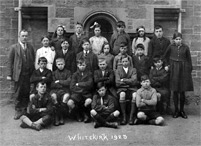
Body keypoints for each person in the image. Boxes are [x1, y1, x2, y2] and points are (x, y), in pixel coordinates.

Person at [163, 32, 193, 119]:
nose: (178, 41)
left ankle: (182, 110)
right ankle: (176, 110)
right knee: (175, 91)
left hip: (183, 70)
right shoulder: (171, 47)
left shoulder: (186, 47)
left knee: (182, 91)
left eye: (180, 39)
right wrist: (166, 65)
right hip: (174, 69)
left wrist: (188, 69)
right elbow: (165, 57)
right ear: (173, 40)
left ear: (182, 40)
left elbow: (189, 59)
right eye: (176, 39)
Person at [7, 29, 35, 120]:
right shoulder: (14, 47)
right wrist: (9, 74)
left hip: (28, 74)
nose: (24, 37)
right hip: (18, 74)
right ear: (19, 37)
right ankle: (18, 110)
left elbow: (33, 60)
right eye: (23, 36)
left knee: (26, 92)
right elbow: (10, 62)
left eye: (26, 36)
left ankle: (24, 110)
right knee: (18, 92)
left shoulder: (30, 47)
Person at [68, 59, 93, 123]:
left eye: (83, 65)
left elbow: (90, 84)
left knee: (88, 101)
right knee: (70, 103)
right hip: (77, 93)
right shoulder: (75, 74)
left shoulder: (89, 73)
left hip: (86, 93)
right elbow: (72, 87)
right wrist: (82, 88)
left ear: (86, 65)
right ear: (77, 65)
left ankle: (85, 114)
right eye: (80, 65)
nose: (82, 66)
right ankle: (78, 114)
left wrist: (79, 84)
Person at [115, 56, 138, 125]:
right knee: (122, 95)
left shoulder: (133, 69)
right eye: (123, 61)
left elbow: (134, 81)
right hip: (122, 88)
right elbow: (117, 82)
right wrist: (129, 81)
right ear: (121, 62)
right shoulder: (118, 70)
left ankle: (131, 117)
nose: (125, 63)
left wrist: (123, 80)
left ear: (129, 62)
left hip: (132, 88)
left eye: (126, 61)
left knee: (135, 95)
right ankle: (124, 117)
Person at [50, 58, 71, 126]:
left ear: (64, 64)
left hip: (65, 90)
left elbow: (69, 82)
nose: (60, 66)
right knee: (53, 96)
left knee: (66, 97)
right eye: (59, 64)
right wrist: (63, 84)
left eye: (62, 64)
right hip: (55, 90)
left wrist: (59, 81)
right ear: (56, 65)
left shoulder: (68, 72)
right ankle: (57, 116)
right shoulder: (53, 73)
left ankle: (61, 115)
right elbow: (52, 84)